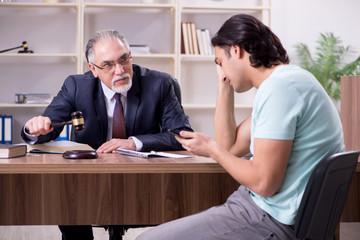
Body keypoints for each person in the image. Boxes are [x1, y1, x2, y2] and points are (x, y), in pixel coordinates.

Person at [136, 14, 344, 240]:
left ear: (236, 50)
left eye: (219, 62)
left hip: (268, 218)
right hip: (263, 210)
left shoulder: (279, 89)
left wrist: (211, 149)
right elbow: (231, 147)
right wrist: (224, 85)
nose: (221, 71)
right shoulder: (288, 81)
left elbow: (263, 183)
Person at [21, 29, 192, 240]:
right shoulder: (76, 86)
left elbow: (182, 135)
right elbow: (48, 128)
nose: (120, 70)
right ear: (93, 69)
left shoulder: (160, 84)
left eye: (124, 59)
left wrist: (134, 143)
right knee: (65, 193)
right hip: (88, 182)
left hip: (142, 180)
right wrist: (34, 128)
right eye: (108, 64)